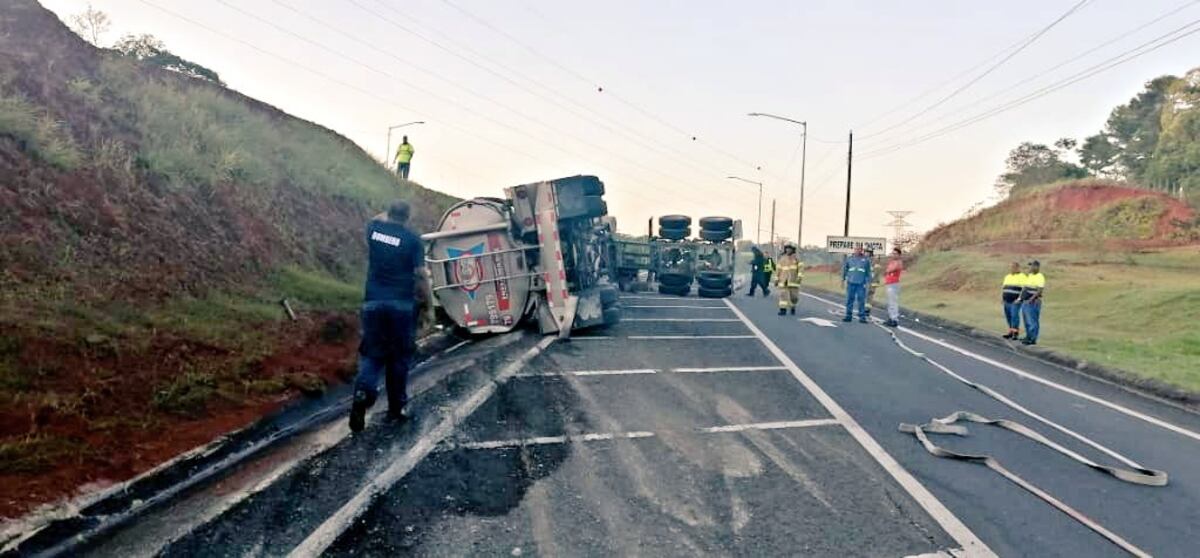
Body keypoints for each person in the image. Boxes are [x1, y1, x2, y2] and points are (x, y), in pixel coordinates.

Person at [349, 201, 429, 432]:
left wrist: (385, 217)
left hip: (373, 303)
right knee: (399, 357)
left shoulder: (374, 230)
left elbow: (376, 217)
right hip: (402, 307)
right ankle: (397, 407)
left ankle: (363, 391)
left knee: (372, 354)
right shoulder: (413, 240)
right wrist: (428, 304)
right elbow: (420, 275)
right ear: (408, 216)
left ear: (389, 214)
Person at [842, 246, 872, 323]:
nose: (857, 250)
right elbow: (845, 269)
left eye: (858, 249)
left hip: (861, 283)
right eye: (855, 249)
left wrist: (868, 282)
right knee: (849, 299)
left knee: (861, 300)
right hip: (851, 282)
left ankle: (862, 317)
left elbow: (868, 272)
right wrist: (843, 279)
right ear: (854, 250)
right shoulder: (849, 258)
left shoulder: (866, 260)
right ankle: (848, 316)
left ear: (861, 250)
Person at [1020, 260, 1045, 345]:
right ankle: (1028, 336)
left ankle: (1033, 338)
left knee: (1032, 321)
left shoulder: (1040, 276)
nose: (1030, 268)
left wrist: (1031, 299)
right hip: (1025, 301)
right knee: (1026, 320)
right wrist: (1021, 298)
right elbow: (1025, 288)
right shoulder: (1030, 276)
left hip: (1032, 302)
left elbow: (1039, 291)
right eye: (1030, 266)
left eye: (1031, 266)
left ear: (1037, 267)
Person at [775, 244, 803, 315]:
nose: (788, 250)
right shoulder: (782, 258)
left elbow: (801, 268)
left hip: (794, 281)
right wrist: (776, 279)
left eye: (789, 249)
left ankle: (793, 306)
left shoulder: (797, 258)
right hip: (783, 280)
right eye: (787, 248)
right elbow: (778, 269)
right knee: (782, 295)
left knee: (794, 297)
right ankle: (783, 310)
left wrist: (799, 277)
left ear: (792, 250)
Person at [1001, 262, 1026, 340]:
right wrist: (1002, 298)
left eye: (1014, 267)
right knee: (1008, 315)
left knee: (1014, 315)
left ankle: (1015, 332)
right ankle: (1011, 331)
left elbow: (1024, 289)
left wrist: (1019, 299)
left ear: (1018, 268)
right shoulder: (1007, 277)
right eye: (1011, 267)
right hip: (1006, 300)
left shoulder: (1022, 276)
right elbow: (1004, 288)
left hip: (1015, 300)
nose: (1012, 269)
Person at [883, 247, 904, 327]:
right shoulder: (892, 262)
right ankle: (890, 318)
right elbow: (887, 270)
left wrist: (889, 270)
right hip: (889, 283)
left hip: (894, 284)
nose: (893, 255)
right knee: (889, 302)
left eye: (895, 253)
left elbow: (891, 269)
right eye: (893, 253)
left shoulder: (898, 262)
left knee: (893, 302)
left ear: (899, 255)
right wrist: (888, 270)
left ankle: (894, 319)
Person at [864, 249, 880, 317]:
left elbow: (875, 272)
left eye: (866, 253)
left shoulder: (872, 261)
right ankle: (867, 310)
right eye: (865, 253)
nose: (865, 254)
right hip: (871, 281)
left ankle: (866, 310)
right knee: (869, 296)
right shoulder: (869, 261)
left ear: (870, 254)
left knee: (868, 296)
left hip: (871, 281)